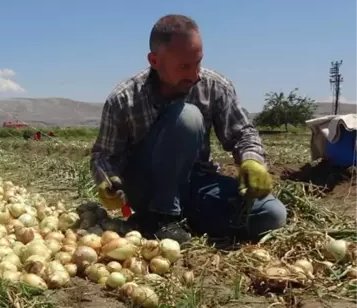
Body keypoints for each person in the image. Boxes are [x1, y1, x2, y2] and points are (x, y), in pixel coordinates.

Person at [91, 14, 287, 244]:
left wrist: (252, 160)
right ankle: (161, 217)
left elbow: (242, 132)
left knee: (271, 215)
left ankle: (168, 220)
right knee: (188, 117)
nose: (195, 75)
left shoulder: (215, 86)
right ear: (154, 61)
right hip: (147, 187)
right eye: (184, 66)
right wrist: (106, 180)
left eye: (198, 62)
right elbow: (103, 155)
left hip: (197, 184)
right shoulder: (124, 99)